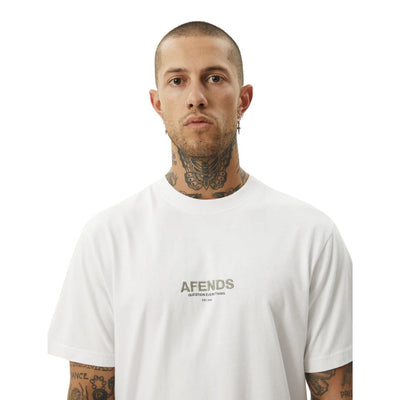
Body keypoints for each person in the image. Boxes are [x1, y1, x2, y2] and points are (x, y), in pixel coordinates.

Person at [48, 21, 353, 400]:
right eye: (177, 81)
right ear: (158, 103)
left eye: (214, 78)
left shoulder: (310, 234)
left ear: (243, 99)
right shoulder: (108, 237)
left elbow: (335, 391)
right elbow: (89, 390)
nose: (196, 97)